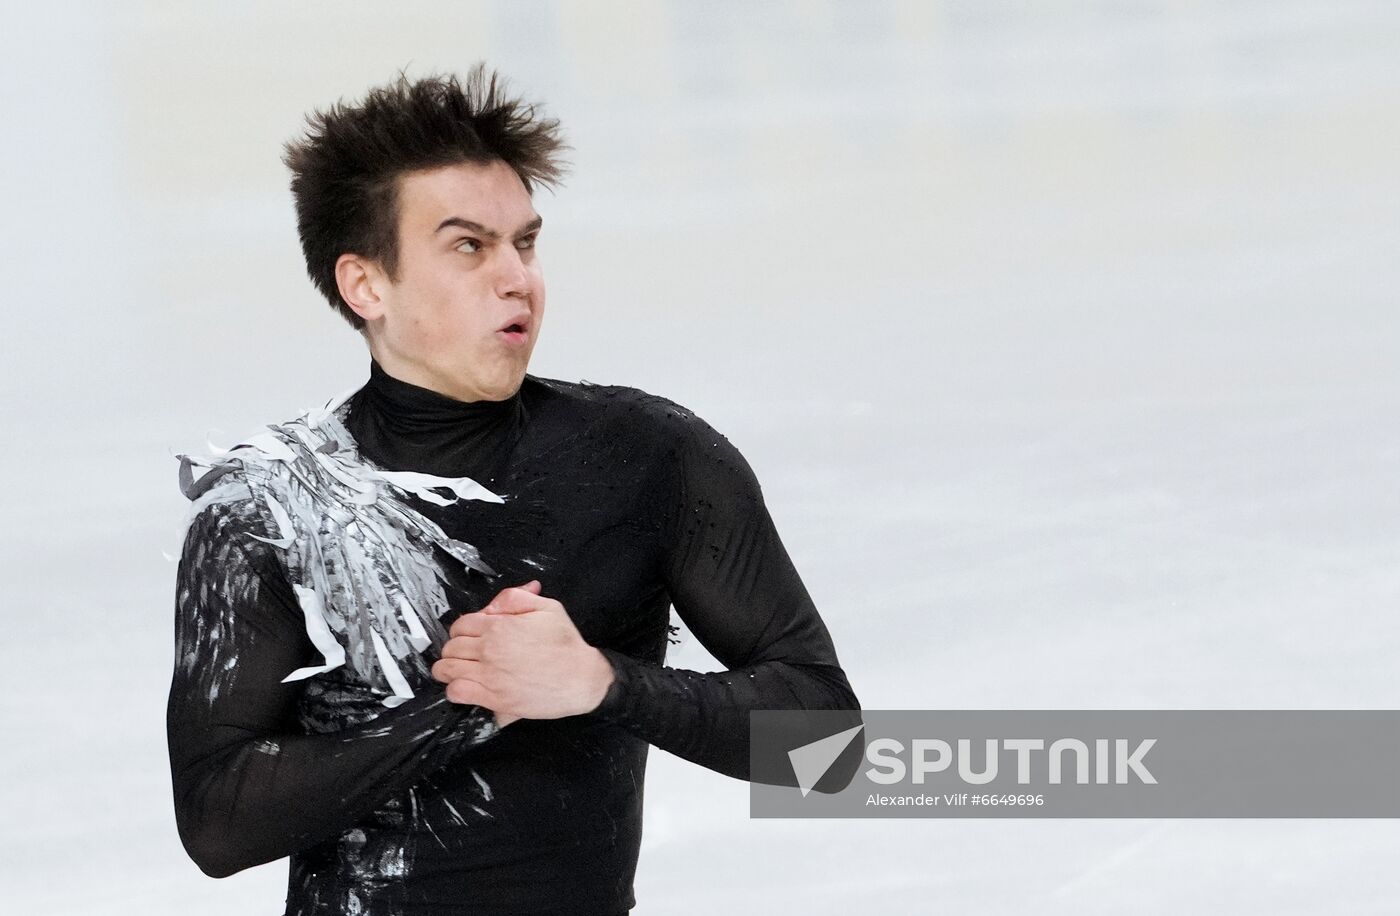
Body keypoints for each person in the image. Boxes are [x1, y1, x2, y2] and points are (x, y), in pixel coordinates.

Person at [166, 65, 860, 916]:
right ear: (366, 284)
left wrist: (606, 682)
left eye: (524, 243)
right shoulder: (273, 508)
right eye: (469, 246)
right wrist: (466, 705)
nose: (517, 278)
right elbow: (216, 823)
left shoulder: (649, 457)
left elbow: (826, 738)